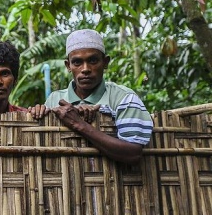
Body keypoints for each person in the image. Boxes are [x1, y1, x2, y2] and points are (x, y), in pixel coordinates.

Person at [29, 29, 153, 165]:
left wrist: (79, 124)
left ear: (105, 62)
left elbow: (133, 154)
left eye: (93, 61)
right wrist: (35, 113)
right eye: (77, 62)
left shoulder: (124, 98)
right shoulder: (54, 99)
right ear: (68, 66)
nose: (85, 69)